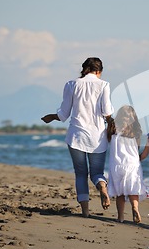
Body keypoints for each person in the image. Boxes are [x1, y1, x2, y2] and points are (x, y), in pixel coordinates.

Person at [41, 57, 114, 217]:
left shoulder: (71, 84)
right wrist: (113, 124)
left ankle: (85, 212)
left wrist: (52, 117)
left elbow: (64, 114)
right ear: (98, 71)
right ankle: (102, 187)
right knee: (97, 173)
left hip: (76, 135)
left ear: (84, 69)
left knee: (81, 173)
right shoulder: (104, 85)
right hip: (97, 137)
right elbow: (107, 111)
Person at [107, 105, 148, 223]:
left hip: (117, 164)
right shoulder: (136, 132)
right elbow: (138, 148)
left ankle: (120, 217)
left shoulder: (114, 129)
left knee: (119, 192)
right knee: (133, 190)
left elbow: (108, 139)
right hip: (132, 164)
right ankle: (135, 208)